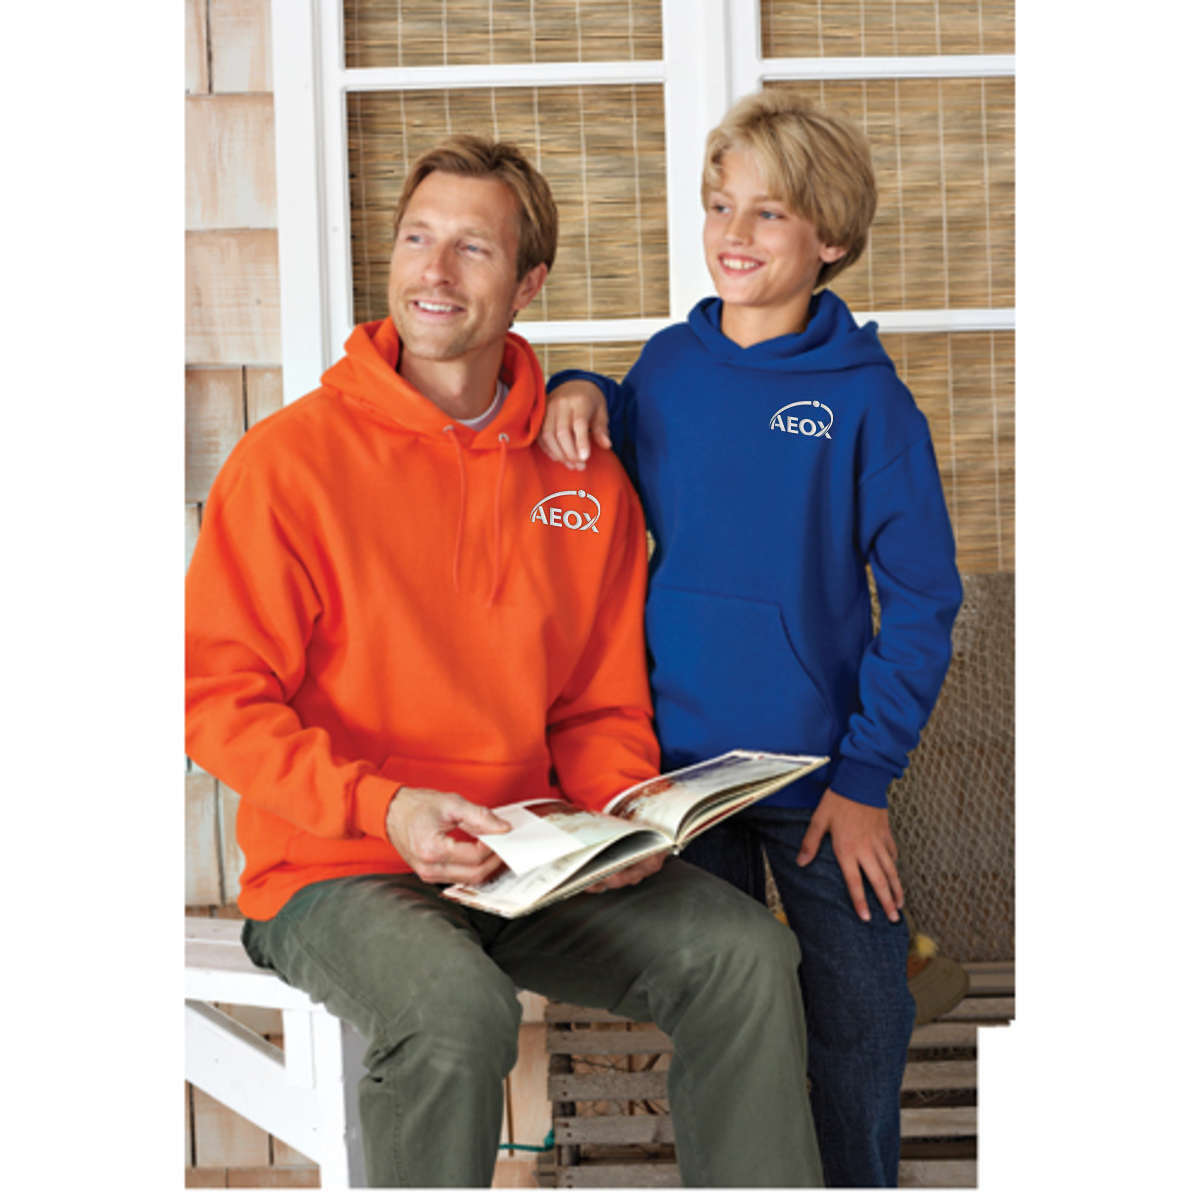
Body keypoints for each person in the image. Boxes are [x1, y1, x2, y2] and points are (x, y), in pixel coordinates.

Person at [185, 134, 824, 1188]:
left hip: (530, 862)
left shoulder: (583, 476)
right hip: (340, 867)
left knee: (744, 955)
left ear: (529, 283)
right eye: (417, 239)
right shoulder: (289, 464)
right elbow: (217, 701)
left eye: (472, 248)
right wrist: (388, 809)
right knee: (452, 1011)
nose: (433, 272)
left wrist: (623, 814)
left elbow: (596, 703)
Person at [538, 92, 963, 1187]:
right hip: (676, 772)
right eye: (721, 204)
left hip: (818, 780)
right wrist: (579, 384)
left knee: (862, 1010)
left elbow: (924, 600)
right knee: (723, 1020)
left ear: (830, 240)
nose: (734, 233)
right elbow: (618, 428)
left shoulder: (868, 404)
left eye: (769, 213)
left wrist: (865, 780)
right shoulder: (671, 367)